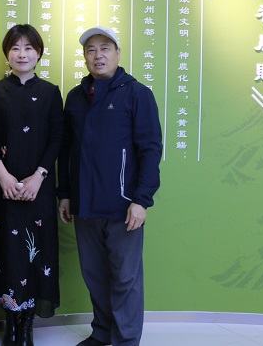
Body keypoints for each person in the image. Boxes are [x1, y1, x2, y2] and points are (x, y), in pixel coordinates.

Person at [57, 26, 162, 346]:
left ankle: (126, 340)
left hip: (123, 205)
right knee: (94, 275)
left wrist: (141, 200)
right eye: (90, 50)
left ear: (118, 53)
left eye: (105, 48)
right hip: (85, 204)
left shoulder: (137, 93)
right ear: (84, 57)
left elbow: (150, 149)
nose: (98, 55)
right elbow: (66, 149)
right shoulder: (76, 97)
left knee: (125, 277)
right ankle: (102, 334)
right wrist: (65, 194)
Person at [0, 24, 63, 346]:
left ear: (39, 53)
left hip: (38, 188)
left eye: (28, 48)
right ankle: (10, 321)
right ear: (7, 54)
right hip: (1, 186)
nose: (22, 54)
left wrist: (39, 176)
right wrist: (2, 174)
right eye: (15, 48)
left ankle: (28, 322)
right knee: (5, 251)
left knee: (36, 252)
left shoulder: (50, 92)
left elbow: (57, 137)